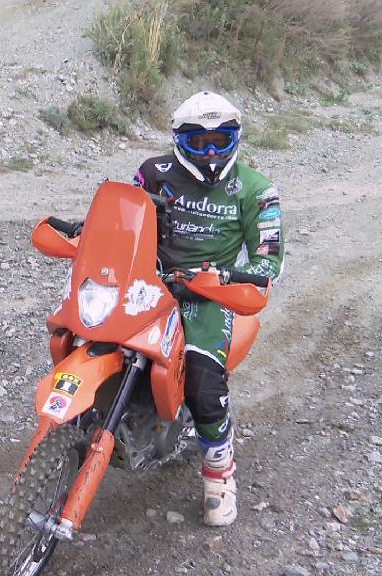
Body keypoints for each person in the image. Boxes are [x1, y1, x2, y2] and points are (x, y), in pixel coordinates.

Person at [133, 91, 284, 526]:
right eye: (200, 143)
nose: (212, 151)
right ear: (181, 142)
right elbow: (124, 218)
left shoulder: (257, 191)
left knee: (202, 382)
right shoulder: (153, 172)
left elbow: (267, 259)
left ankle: (219, 474)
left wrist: (235, 278)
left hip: (209, 294)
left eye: (221, 140)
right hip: (149, 283)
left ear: (237, 138)